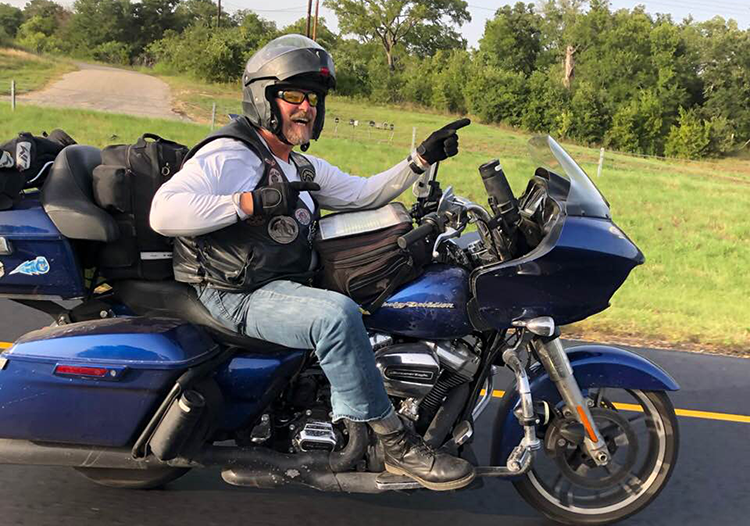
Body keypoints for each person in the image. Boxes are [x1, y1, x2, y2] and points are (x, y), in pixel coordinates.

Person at [150, 34, 474, 491]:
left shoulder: (295, 165)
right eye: (294, 96)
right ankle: (398, 446)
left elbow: (364, 192)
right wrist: (249, 200)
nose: (307, 108)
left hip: (273, 282)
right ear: (265, 100)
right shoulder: (232, 154)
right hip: (234, 293)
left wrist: (419, 160)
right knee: (335, 316)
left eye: (314, 99)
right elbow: (164, 212)